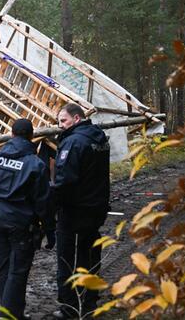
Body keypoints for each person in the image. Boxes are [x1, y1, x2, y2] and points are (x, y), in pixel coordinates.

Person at [0, 119, 55, 320]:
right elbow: (43, 202)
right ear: (31, 137)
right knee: (18, 270)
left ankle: (12, 311)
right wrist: (50, 230)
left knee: (4, 265)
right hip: (21, 223)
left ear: (12, 135)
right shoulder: (35, 164)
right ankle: (9, 315)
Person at [52, 103, 110, 319]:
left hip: (75, 210)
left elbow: (65, 181)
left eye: (63, 121)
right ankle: (90, 301)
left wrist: (53, 205)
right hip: (96, 206)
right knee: (91, 254)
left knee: (67, 259)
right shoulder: (99, 138)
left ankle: (69, 307)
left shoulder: (74, 142)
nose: (60, 126)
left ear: (77, 119)